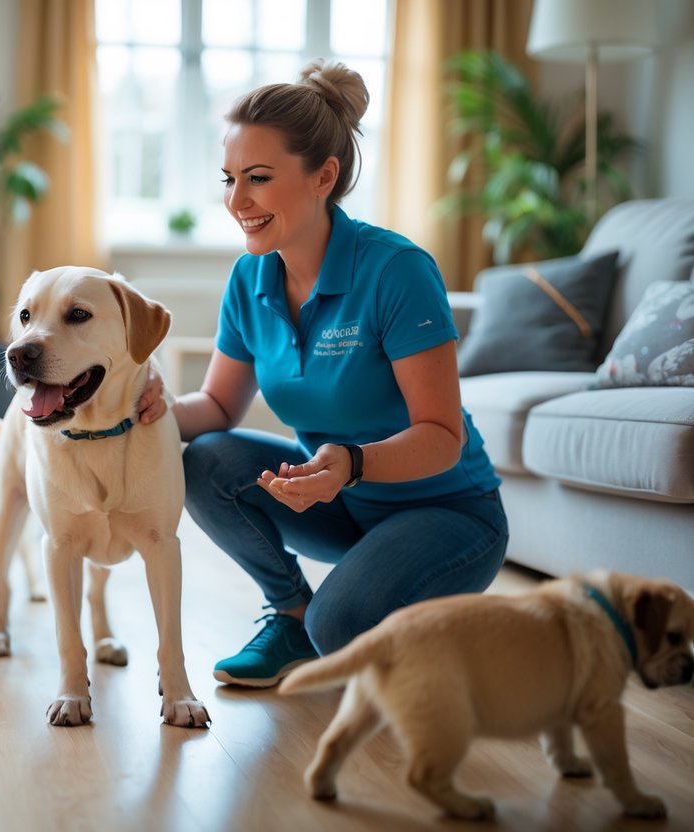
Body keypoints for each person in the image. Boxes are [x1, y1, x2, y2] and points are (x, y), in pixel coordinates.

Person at [140, 60, 508, 688]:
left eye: (257, 179)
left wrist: (350, 463)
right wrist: (138, 408)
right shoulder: (249, 278)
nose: (236, 202)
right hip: (339, 505)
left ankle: (426, 617)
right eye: (229, 179)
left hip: (448, 514)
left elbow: (442, 436)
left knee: (337, 632)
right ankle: (290, 610)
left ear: (324, 176)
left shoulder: (396, 271)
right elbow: (219, 409)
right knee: (205, 459)